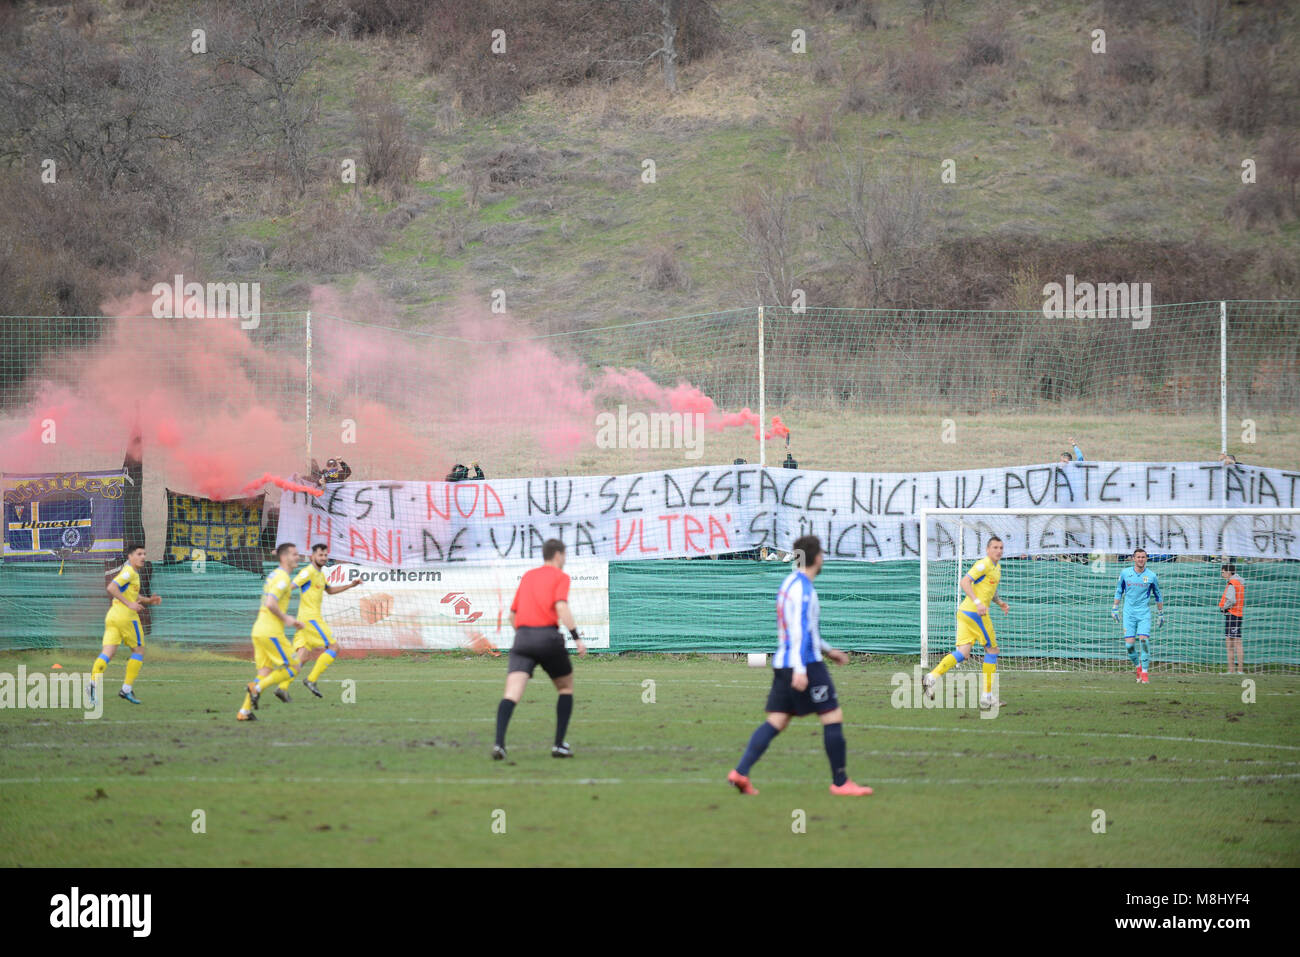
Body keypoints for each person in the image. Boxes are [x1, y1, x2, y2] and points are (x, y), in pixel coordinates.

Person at [727, 535, 873, 796]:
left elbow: (805, 630)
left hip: (784, 662)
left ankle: (740, 771)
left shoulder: (789, 583)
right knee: (832, 716)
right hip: (803, 663)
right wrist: (802, 669)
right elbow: (799, 632)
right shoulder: (804, 589)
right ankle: (840, 782)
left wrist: (829, 651)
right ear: (816, 558)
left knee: (777, 721)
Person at [492, 539, 587, 759]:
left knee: (511, 694)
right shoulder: (560, 577)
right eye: (564, 555)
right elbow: (561, 606)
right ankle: (558, 745)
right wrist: (577, 638)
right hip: (547, 637)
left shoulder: (528, 576)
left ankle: (499, 745)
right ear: (557, 555)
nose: (565, 560)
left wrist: (525, 636)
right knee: (565, 688)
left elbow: (512, 616)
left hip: (522, 638)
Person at [923, 536, 1009, 708]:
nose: (998, 551)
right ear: (987, 549)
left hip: (965, 613)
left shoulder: (996, 567)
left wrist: (999, 602)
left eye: (1001, 547)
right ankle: (987, 697)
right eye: (995, 547)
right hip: (975, 613)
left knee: (963, 653)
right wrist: (978, 603)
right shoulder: (983, 564)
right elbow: (964, 582)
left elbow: (989, 589)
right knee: (992, 651)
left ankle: (930, 678)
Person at [278, 543, 362, 700]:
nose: (323, 558)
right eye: (320, 555)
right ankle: (311, 680)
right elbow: (291, 585)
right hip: (311, 619)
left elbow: (329, 591)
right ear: (312, 556)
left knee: (302, 656)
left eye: (325, 555)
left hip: (306, 620)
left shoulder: (321, 574)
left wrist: (351, 585)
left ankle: (282, 687)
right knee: (334, 647)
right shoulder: (308, 572)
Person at [236, 543, 302, 722]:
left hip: (259, 629)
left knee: (264, 671)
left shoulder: (274, 575)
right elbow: (271, 603)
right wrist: (287, 618)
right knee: (294, 666)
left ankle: (244, 711)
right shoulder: (282, 578)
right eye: (294, 554)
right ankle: (256, 688)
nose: (298, 557)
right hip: (271, 631)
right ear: (283, 557)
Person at [88, 544, 161, 705]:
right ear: (130, 556)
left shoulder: (131, 572)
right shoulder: (129, 572)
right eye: (139, 554)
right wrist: (129, 604)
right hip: (126, 617)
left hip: (113, 616)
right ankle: (126, 689)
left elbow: (132, 594)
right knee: (139, 650)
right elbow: (112, 587)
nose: (143, 557)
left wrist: (149, 600)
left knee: (108, 653)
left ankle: (92, 684)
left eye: (144, 553)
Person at [1111, 547, 1163, 684]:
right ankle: (1138, 667)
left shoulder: (1151, 576)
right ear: (1134, 558)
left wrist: (1160, 614)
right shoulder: (1125, 573)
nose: (1141, 559)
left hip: (1144, 613)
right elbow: (1119, 591)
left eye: (1143, 557)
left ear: (1146, 559)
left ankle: (1145, 673)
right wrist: (1115, 608)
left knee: (1144, 640)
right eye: (1138, 557)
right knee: (1129, 646)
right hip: (1128, 614)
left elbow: (1158, 595)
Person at [1219, 563, 1245, 674]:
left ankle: (1238, 670)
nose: (1222, 574)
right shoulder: (1239, 582)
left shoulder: (1232, 583)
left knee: (1234, 643)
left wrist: (1223, 608)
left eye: (1223, 572)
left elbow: (1231, 600)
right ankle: (1232, 670)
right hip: (1237, 615)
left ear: (1229, 572)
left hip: (1233, 615)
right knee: (1232, 642)